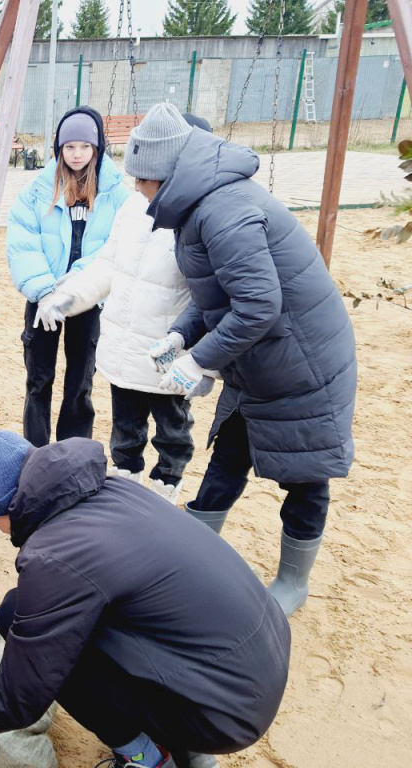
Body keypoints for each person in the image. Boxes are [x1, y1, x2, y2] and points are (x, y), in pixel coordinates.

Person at [0, 431, 291, 768]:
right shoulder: (107, 489)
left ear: (5, 505)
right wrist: (0, 617)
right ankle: (188, 746)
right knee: (16, 612)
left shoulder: (54, 555)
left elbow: (20, 698)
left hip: (226, 712)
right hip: (259, 656)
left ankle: (147, 757)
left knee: (58, 664)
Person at [126, 103, 357, 615]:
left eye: (141, 179)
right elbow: (220, 296)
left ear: (165, 174)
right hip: (259, 361)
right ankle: (191, 555)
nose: (137, 189)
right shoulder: (198, 207)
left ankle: (293, 581)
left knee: (305, 472)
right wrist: (180, 336)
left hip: (304, 365)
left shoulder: (224, 210)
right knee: (230, 453)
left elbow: (258, 305)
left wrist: (199, 360)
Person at [41, 189, 193, 504]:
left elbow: (209, 291)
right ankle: (128, 488)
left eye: (143, 176)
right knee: (125, 429)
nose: (135, 183)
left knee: (173, 431)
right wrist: (71, 297)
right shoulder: (133, 205)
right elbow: (107, 264)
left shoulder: (194, 208)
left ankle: (167, 490)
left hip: (167, 350)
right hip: (123, 346)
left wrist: (201, 361)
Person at [7, 106, 130, 447]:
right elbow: (23, 241)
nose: (77, 154)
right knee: (38, 378)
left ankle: (73, 450)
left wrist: (76, 281)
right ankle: (35, 449)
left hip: (86, 298)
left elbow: (115, 244)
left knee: (80, 380)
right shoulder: (38, 190)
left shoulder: (114, 193)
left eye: (85, 147)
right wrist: (45, 289)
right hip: (44, 298)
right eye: (70, 147)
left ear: (96, 149)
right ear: (59, 149)